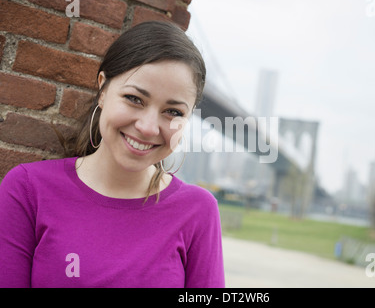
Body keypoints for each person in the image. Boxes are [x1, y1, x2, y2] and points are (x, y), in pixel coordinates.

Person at [0, 21, 225, 288]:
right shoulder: (27, 189)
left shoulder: (198, 211)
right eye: (134, 99)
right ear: (103, 90)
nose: (148, 127)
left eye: (173, 112)